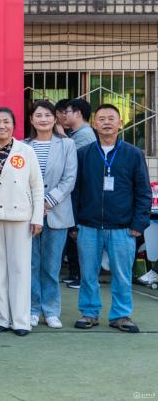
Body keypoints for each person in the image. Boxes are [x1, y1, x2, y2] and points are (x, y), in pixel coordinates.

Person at [72, 103, 151, 334]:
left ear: (120, 123)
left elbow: (143, 192)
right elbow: (75, 191)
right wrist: (74, 223)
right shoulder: (83, 154)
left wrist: (138, 224)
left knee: (122, 275)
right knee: (88, 274)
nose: (106, 122)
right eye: (102, 118)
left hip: (123, 227)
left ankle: (121, 315)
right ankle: (89, 313)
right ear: (94, 124)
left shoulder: (134, 154)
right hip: (88, 225)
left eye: (111, 118)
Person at [0, 107, 44, 336]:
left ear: (14, 125)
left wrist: (37, 217)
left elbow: (37, 186)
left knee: (20, 269)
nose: (2, 126)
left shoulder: (26, 151)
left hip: (20, 216)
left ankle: (21, 320)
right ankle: (2, 318)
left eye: (6, 121)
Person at [25, 99, 77, 329]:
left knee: (52, 266)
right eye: (38, 115)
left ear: (55, 119)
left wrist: (46, 203)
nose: (43, 119)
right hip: (28, 215)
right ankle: (32, 309)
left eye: (47, 115)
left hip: (57, 213)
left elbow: (69, 179)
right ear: (31, 120)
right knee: (31, 264)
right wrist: (35, 206)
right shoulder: (23, 146)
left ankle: (52, 310)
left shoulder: (67, 145)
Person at [63, 98, 95, 289]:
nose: (64, 115)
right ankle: (76, 273)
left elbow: (72, 162)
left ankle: (82, 276)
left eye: (67, 112)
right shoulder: (76, 133)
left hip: (80, 191)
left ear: (78, 113)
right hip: (74, 190)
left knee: (78, 235)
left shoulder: (85, 135)